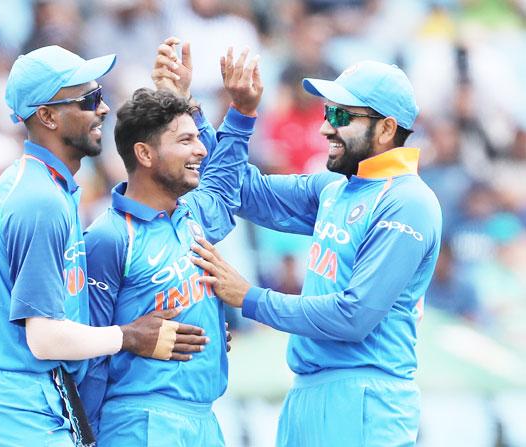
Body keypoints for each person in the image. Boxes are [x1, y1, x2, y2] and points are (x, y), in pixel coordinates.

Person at [0, 45, 208, 447]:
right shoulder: (39, 200)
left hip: (35, 398)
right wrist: (130, 335)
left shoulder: (45, 185)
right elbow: (44, 338)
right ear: (48, 116)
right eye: (88, 100)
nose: (104, 109)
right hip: (17, 407)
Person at [185, 61, 442, 446]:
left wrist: (249, 298)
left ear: (387, 128)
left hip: (366, 401)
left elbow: (354, 316)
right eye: (327, 113)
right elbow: (238, 189)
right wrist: (196, 112)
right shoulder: (335, 189)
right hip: (307, 393)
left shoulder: (408, 202)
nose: (325, 127)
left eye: (340, 115)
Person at [78, 41, 262, 446]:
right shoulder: (110, 237)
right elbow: (87, 353)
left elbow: (225, 182)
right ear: (144, 153)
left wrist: (242, 113)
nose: (200, 150)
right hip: (139, 423)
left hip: (203, 420)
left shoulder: (191, 215)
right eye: (185, 141)